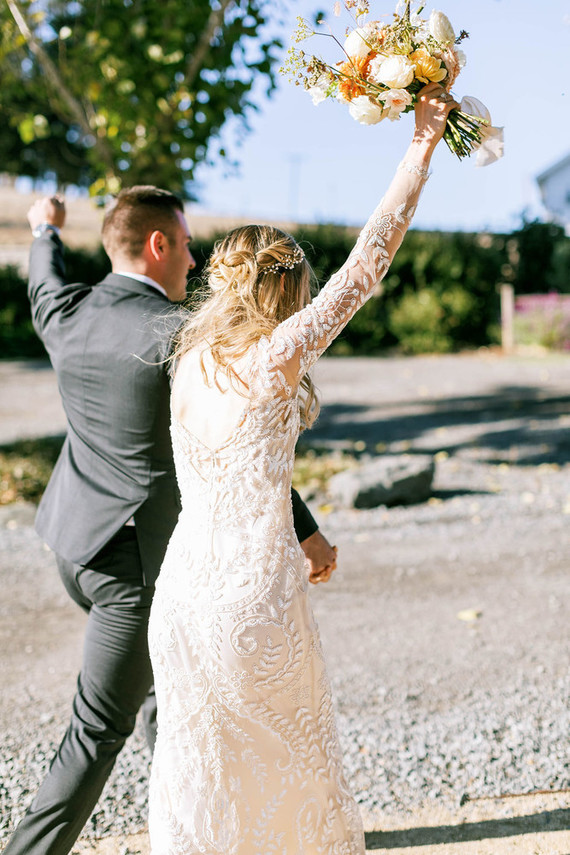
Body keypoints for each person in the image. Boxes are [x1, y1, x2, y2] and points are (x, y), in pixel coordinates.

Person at [147, 82, 459, 854]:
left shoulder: (188, 360)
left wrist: (308, 534)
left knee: (202, 771)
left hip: (183, 594)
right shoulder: (276, 357)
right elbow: (369, 262)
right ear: (286, 290)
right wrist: (420, 147)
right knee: (293, 769)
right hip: (254, 597)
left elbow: (244, 472)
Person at [5, 187, 337, 855]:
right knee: (99, 727)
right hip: (132, 564)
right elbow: (240, 444)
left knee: (173, 686)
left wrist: (45, 228)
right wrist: (306, 529)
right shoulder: (181, 339)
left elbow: (44, 274)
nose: (193, 261)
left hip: (71, 540)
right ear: (157, 245)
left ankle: (193, 831)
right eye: (185, 244)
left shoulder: (64, 311)